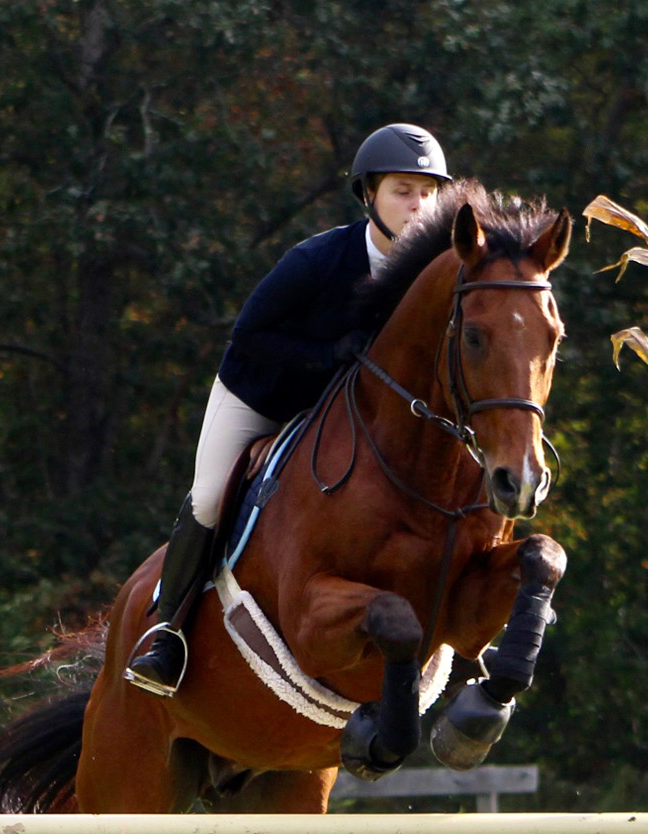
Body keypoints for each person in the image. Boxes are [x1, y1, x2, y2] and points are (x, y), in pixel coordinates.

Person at [123, 123, 454, 696]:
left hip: (346, 417)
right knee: (208, 498)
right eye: (404, 190)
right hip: (264, 395)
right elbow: (249, 332)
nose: (419, 205)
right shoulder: (317, 259)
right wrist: (327, 354)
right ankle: (166, 634)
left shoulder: (434, 276)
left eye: (429, 192)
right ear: (368, 195)